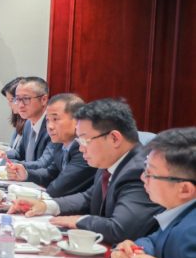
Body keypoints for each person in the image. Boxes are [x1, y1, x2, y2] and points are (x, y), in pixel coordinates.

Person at [10, 98, 162, 245]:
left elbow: (120, 229)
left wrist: (78, 220)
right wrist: (46, 205)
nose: (81, 148)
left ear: (114, 138)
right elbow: (89, 197)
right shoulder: (110, 162)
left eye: (84, 140)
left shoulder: (140, 171)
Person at [111, 127, 196, 258]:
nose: (142, 178)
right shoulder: (180, 212)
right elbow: (155, 240)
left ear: (185, 189)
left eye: (150, 173)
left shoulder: (192, 229)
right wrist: (135, 249)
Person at [6, 94, 97, 197]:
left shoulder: (84, 150)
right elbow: (50, 173)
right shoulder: (59, 144)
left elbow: (59, 188)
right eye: (47, 120)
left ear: (77, 120)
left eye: (55, 119)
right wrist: (26, 174)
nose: (49, 126)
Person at [4, 77, 52, 163]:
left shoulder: (52, 127)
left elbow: (43, 165)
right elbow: (20, 154)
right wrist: (0, 155)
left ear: (43, 100)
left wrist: (1, 161)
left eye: (26, 99)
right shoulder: (28, 124)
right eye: (17, 99)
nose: (20, 105)